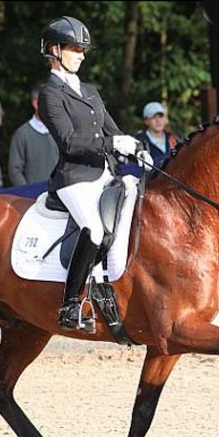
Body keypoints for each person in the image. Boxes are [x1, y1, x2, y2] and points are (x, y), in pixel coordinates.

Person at [38, 16, 152, 333]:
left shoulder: (89, 91)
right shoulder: (50, 94)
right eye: (75, 49)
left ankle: (108, 290)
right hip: (74, 177)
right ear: (55, 50)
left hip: (103, 174)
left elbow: (112, 129)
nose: (82, 55)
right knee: (94, 229)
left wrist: (136, 147)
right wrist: (113, 143)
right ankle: (70, 304)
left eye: (83, 50)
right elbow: (69, 142)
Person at [8, 84, 59, 186]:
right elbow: (15, 171)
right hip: (33, 198)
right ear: (36, 103)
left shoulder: (60, 131)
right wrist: (27, 192)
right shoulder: (22, 134)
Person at [134, 101, 181, 168]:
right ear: (146, 121)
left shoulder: (174, 139)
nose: (158, 120)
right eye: (153, 117)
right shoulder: (138, 142)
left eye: (160, 116)